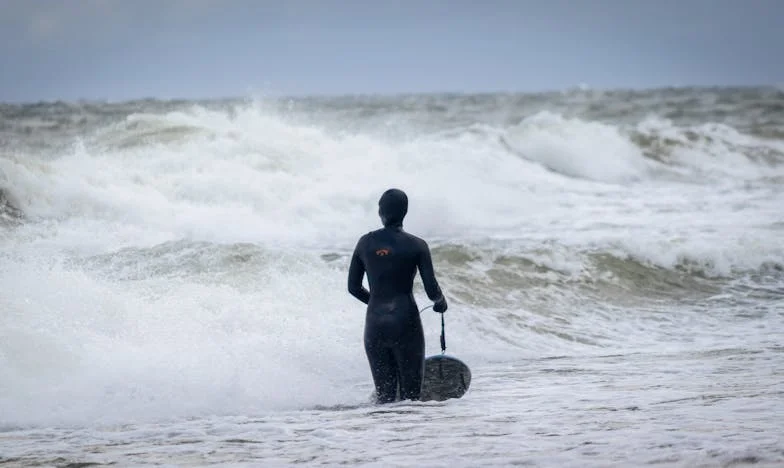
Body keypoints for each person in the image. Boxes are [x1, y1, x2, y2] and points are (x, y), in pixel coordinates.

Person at [347, 188, 448, 404]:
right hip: (405, 323)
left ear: (381, 211)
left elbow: (353, 287)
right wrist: (441, 302)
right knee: (411, 397)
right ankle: (409, 438)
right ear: (405, 212)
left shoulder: (365, 243)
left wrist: (375, 302)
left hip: (374, 325)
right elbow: (432, 290)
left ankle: (385, 437)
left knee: (385, 398)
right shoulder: (417, 245)